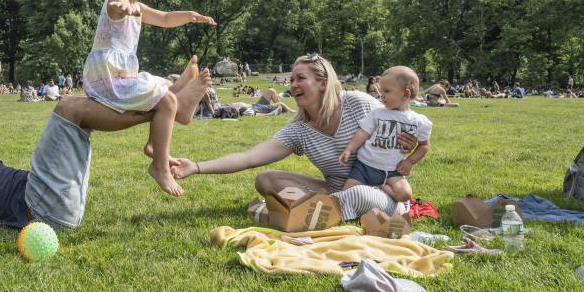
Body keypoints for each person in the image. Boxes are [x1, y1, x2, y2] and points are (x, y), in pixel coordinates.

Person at [0, 65, 211, 268]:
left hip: (50, 201)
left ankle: (166, 104)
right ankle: (166, 106)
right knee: (69, 109)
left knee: (77, 119)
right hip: (41, 206)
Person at [172, 55, 415, 226]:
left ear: (322, 83)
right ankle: (320, 211)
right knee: (266, 180)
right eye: (291, 80)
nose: (293, 85)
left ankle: (302, 213)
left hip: (383, 194)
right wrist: (196, 167)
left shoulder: (357, 103)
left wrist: (407, 145)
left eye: (300, 78)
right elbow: (249, 158)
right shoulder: (299, 130)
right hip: (336, 190)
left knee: (359, 194)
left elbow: (400, 122)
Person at [82, 0, 216, 197]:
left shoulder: (140, 8)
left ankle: (160, 136)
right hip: (107, 77)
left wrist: (190, 15)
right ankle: (159, 165)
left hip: (122, 74)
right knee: (165, 98)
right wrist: (123, 8)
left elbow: (165, 19)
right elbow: (116, 5)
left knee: (163, 90)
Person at [337, 66, 432, 203]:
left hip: (392, 171)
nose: (382, 95)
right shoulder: (378, 113)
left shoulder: (418, 121)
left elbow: (424, 145)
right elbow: (363, 132)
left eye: (386, 91)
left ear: (405, 94)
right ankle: (369, 190)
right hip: (364, 166)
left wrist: (410, 161)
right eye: (381, 91)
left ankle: (379, 188)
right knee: (347, 194)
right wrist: (349, 149)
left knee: (405, 194)